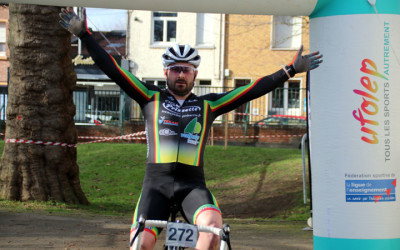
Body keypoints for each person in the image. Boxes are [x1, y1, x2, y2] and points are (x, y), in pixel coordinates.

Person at [59, 7, 323, 250]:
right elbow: (114, 69)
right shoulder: (150, 96)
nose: (181, 74)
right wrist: (84, 34)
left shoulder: (208, 105)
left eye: (186, 69)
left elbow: (250, 91)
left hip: (192, 188)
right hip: (156, 186)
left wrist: (289, 70)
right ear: (166, 73)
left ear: (195, 74)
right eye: (175, 69)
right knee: (140, 244)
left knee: (213, 229)